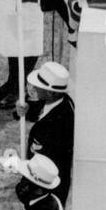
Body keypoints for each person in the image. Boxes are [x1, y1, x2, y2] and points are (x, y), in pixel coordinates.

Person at [19, 61, 74, 202]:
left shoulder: (59, 124)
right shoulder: (59, 102)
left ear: (50, 92)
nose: (35, 87)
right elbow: (40, 109)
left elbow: (44, 162)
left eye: (40, 86)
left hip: (44, 187)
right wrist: (25, 110)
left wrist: (24, 179)